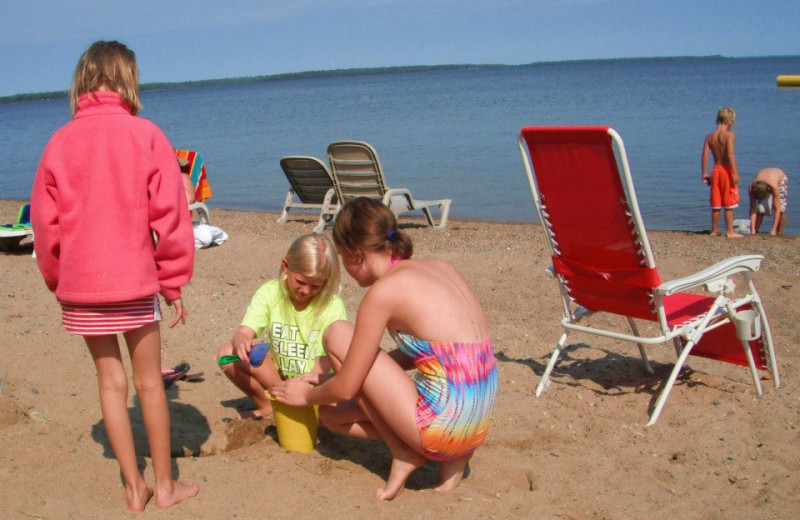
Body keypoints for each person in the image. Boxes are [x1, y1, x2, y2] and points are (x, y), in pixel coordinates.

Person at [30, 41, 198, 511]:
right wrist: (173, 280)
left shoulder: (59, 142)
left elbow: (46, 226)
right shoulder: (145, 134)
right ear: (129, 79)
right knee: (148, 383)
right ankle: (164, 487)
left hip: (81, 285)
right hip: (133, 280)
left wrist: (58, 279)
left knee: (110, 383)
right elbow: (171, 217)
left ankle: (133, 489)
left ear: (82, 81)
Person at [269, 197, 499, 501]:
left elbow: (347, 387)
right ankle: (451, 466)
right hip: (477, 424)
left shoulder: (384, 292)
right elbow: (431, 352)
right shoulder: (443, 268)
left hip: (443, 427)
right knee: (333, 416)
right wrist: (335, 377)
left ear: (355, 255)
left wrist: (307, 395)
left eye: (341, 257)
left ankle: (403, 452)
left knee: (337, 334)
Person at [217, 233, 347, 419]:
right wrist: (242, 343)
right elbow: (244, 332)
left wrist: (303, 390)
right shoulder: (270, 292)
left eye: (316, 286)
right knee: (227, 355)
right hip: (279, 377)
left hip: (315, 381)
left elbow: (324, 362)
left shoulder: (332, 306)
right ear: (286, 267)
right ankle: (268, 406)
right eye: (300, 282)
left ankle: (297, 406)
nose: (306, 291)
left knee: (331, 413)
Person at [701, 107, 743, 237]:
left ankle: (714, 230)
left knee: (716, 202)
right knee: (729, 201)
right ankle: (730, 231)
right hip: (726, 170)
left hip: (716, 169)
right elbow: (730, 154)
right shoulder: (730, 135)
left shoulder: (710, 137)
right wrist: (735, 172)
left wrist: (705, 173)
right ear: (729, 121)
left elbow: (705, 155)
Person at [749, 167, 789, 235]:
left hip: (780, 177)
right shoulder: (752, 188)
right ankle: (755, 229)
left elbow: (777, 209)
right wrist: (752, 229)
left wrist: (773, 230)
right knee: (760, 209)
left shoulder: (774, 186)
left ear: (768, 189)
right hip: (765, 179)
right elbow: (753, 209)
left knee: (782, 208)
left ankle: (779, 231)